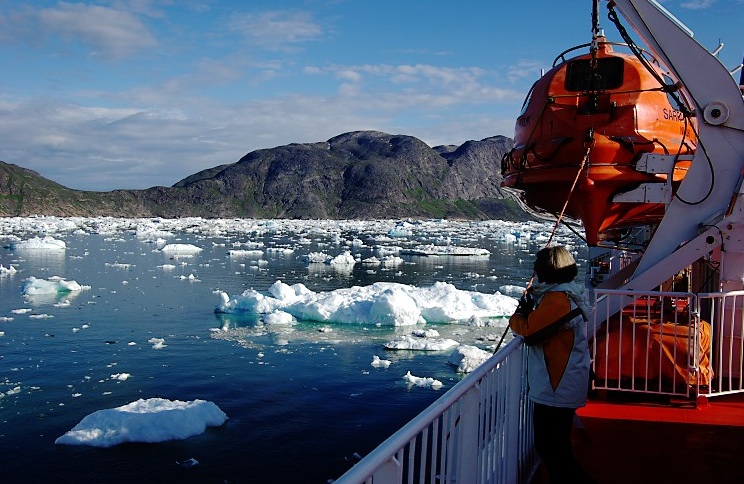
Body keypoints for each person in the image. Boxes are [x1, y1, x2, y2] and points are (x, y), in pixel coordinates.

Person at [509, 245, 595, 484]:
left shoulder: (557, 299)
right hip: (562, 381)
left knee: (551, 448)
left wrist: (519, 315)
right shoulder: (565, 293)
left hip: (557, 384)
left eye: (538, 268)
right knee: (557, 447)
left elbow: (531, 333)